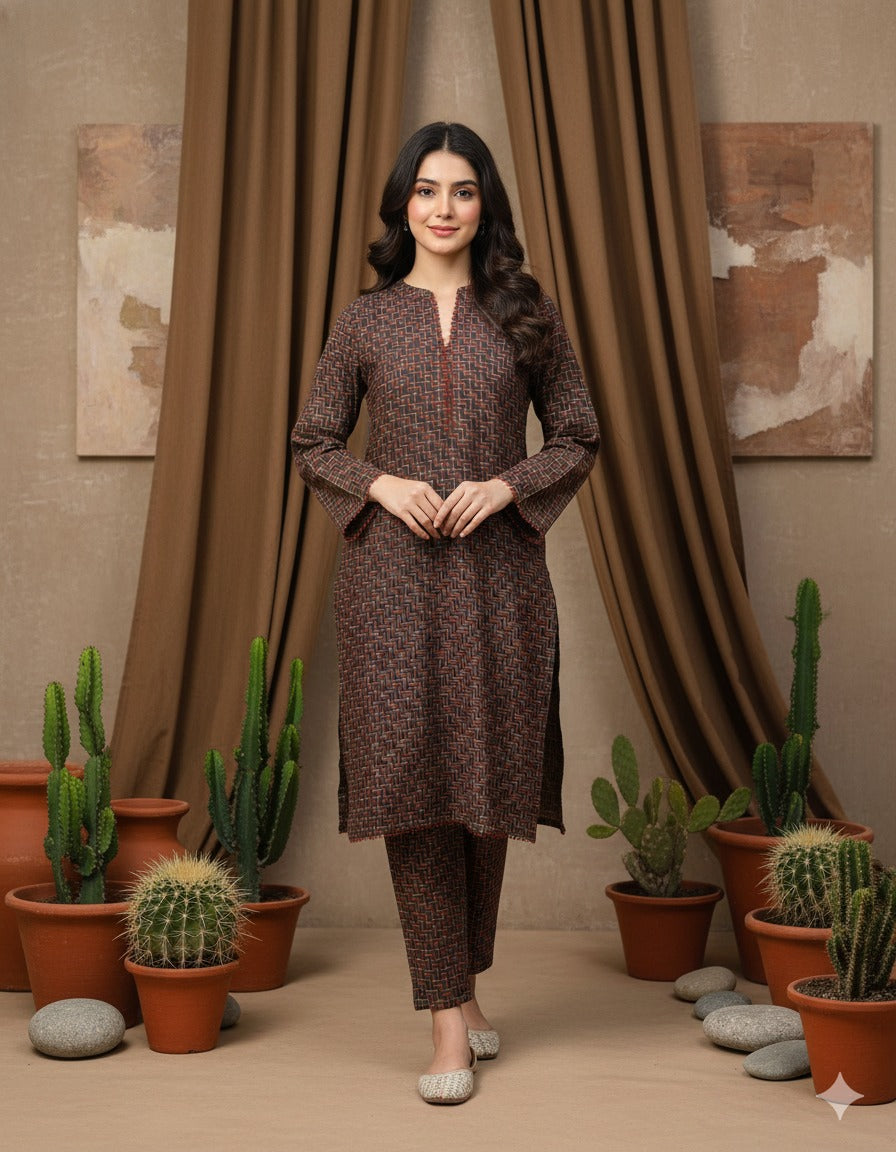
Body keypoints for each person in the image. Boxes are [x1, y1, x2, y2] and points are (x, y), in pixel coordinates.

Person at [292, 122, 599, 1104]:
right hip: (388, 583)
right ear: (402, 205)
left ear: (484, 205)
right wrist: (378, 487)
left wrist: (506, 488)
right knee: (414, 787)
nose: (441, 207)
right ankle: (442, 1026)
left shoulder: (524, 313)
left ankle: (461, 989)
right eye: (425, 190)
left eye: (462, 191)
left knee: (485, 783)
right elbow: (312, 441)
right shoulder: (364, 321)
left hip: (499, 577)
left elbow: (577, 435)